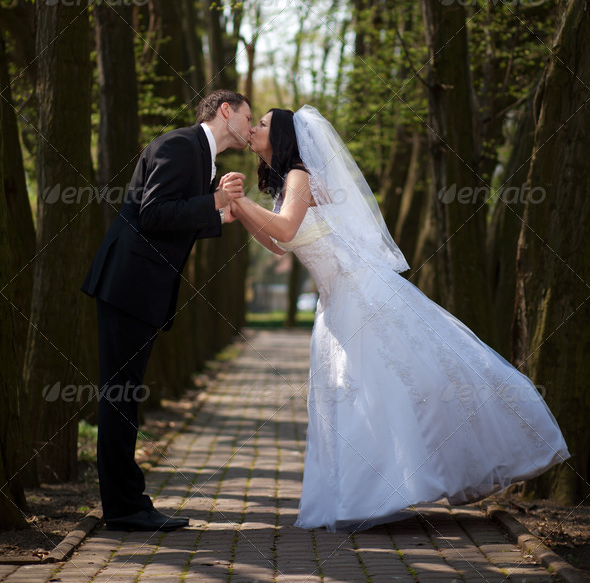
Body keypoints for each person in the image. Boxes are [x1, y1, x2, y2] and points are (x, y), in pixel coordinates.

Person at [229, 105, 570, 533]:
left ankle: (379, 492)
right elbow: (280, 245)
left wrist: (241, 202)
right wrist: (241, 212)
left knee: (376, 386)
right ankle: (371, 492)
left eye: (261, 123)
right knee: (357, 390)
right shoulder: (287, 182)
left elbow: (283, 229)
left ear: (280, 136)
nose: (255, 128)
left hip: (357, 293)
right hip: (336, 300)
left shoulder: (298, 175)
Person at [81, 89, 251, 532]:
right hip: (128, 285)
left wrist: (217, 219)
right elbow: (153, 213)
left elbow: (168, 218)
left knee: (124, 396)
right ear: (225, 111)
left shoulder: (200, 156)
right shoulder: (180, 145)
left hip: (137, 289)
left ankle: (126, 502)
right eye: (248, 118)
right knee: (120, 397)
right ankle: (125, 508)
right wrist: (213, 203)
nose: (251, 129)